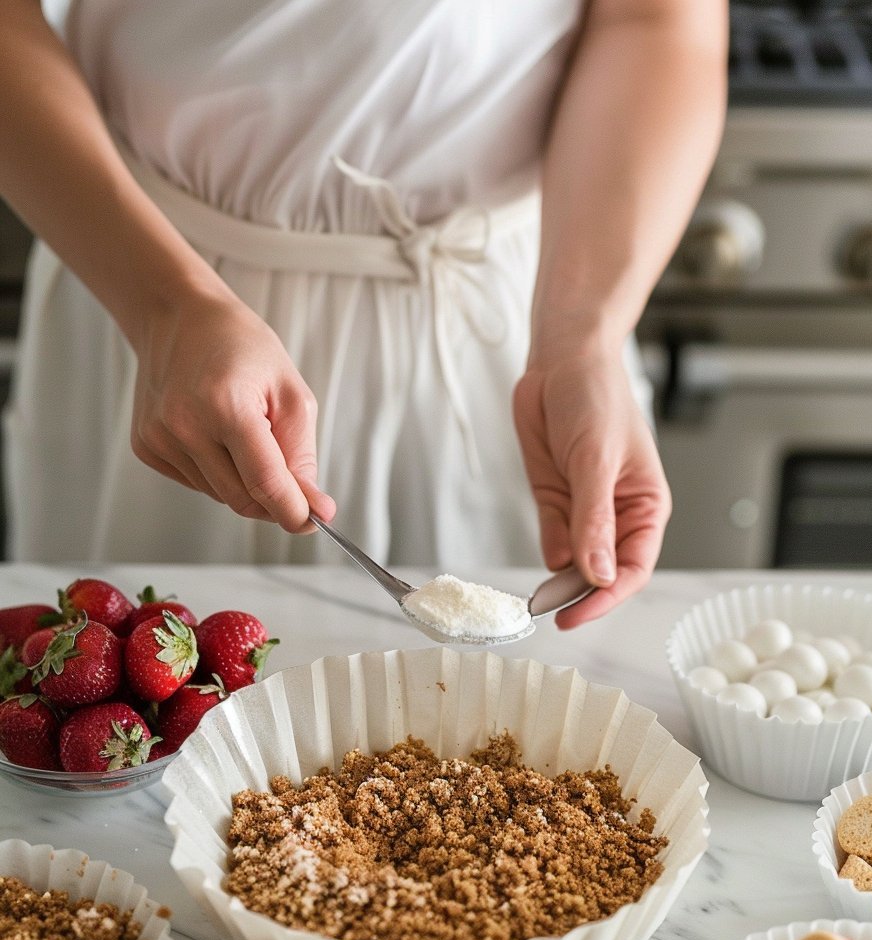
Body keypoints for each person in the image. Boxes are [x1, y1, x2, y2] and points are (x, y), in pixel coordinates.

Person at [0, 0, 727, 628]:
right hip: (145, 276)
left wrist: (585, 335)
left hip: (506, 315)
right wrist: (162, 308)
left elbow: (654, 18)